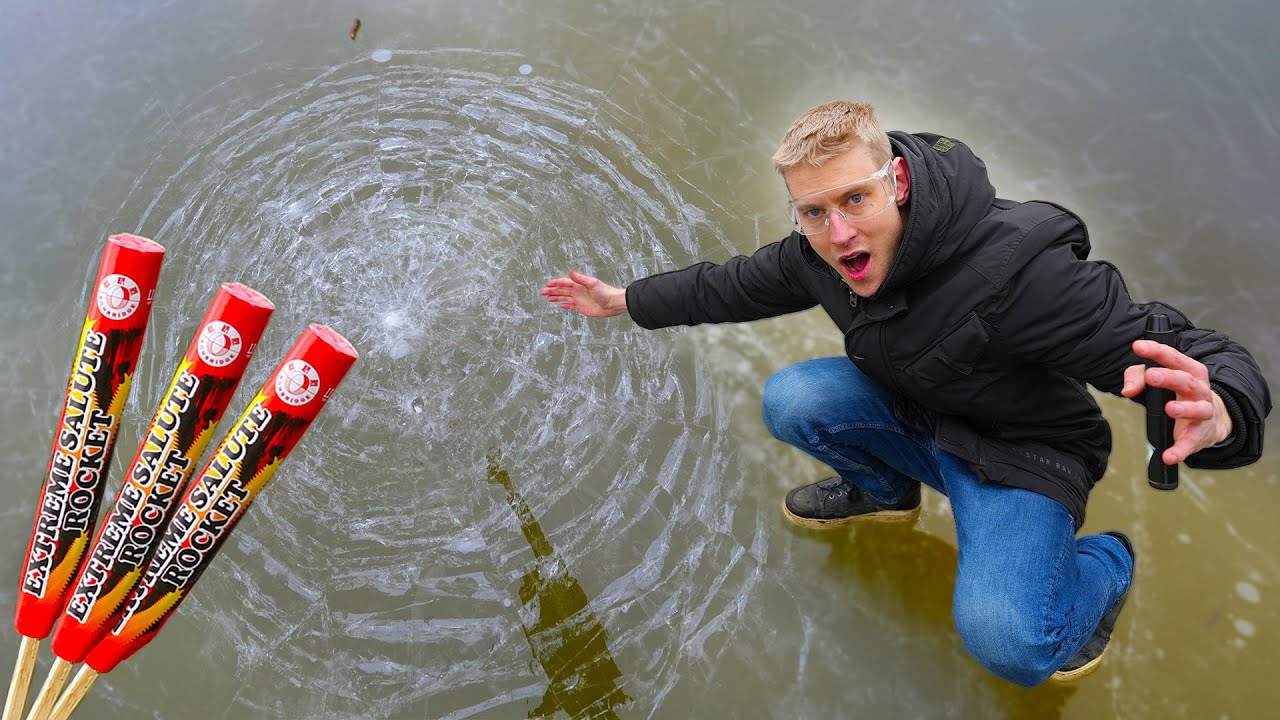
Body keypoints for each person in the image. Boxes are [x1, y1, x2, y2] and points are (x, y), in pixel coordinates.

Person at [539, 101, 1270, 686]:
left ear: (898, 180)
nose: (838, 232)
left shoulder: (1020, 274)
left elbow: (1184, 348)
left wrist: (1223, 411)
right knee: (794, 399)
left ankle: (1105, 566)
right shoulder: (821, 252)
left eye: (855, 198)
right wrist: (626, 300)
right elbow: (732, 283)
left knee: (1012, 645)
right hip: (919, 413)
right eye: (813, 212)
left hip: (1018, 457)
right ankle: (888, 492)